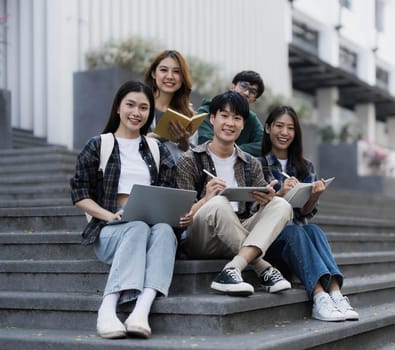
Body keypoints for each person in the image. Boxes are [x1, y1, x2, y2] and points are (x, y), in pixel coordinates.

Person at [70, 81, 192, 339]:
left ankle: (141, 309)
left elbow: (171, 191)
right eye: (131, 105)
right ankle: (108, 307)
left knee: (163, 230)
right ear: (118, 107)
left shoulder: (157, 150)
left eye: (144, 108)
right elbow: (80, 194)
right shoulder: (98, 145)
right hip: (109, 229)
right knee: (135, 226)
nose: (136, 112)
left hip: (151, 226)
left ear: (150, 113)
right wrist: (109, 215)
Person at [175, 91, 293, 296]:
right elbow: (180, 218)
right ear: (212, 119)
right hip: (202, 239)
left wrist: (266, 200)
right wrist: (206, 198)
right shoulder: (190, 159)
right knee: (219, 203)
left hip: (238, 231)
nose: (230, 123)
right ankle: (262, 268)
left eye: (237, 118)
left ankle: (233, 268)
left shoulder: (250, 162)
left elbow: (258, 209)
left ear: (243, 125)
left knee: (282, 205)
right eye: (225, 116)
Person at [259, 105, 359, 322]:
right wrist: (281, 193)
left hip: (297, 240)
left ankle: (336, 294)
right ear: (268, 128)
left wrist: (314, 195)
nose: (285, 132)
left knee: (312, 229)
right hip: (269, 242)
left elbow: (305, 213)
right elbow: (256, 212)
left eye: (290, 128)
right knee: (295, 232)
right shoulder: (258, 164)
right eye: (279, 126)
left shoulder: (305, 167)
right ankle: (319, 298)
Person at [196, 70, 265, 156]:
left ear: (254, 100)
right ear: (232, 87)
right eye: (244, 86)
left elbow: (264, 144)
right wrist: (231, 150)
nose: (247, 93)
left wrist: (234, 151)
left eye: (253, 92)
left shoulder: (251, 118)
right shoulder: (207, 110)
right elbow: (205, 139)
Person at [144, 49, 194, 161]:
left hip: (173, 176)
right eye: (163, 70)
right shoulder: (139, 105)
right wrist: (146, 140)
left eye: (176, 72)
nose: (170, 76)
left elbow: (194, 159)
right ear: (153, 73)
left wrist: (184, 143)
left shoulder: (188, 113)